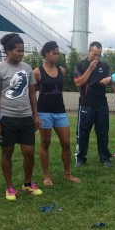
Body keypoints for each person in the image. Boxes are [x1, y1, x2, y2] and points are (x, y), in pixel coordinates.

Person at [0, 33, 43, 201]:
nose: (21, 54)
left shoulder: (27, 68)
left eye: (22, 51)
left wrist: (35, 116)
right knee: (7, 151)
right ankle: (10, 187)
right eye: (18, 51)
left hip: (26, 117)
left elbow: (32, 93)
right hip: (7, 118)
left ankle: (27, 184)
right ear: (7, 51)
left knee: (29, 152)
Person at [33, 41, 80, 185]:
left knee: (66, 143)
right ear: (46, 53)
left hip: (60, 111)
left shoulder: (62, 70)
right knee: (45, 143)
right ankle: (46, 176)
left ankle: (67, 173)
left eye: (58, 53)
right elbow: (32, 94)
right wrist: (35, 115)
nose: (57, 56)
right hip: (44, 112)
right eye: (54, 53)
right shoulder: (37, 72)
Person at [73, 41, 114, 168]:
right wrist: (90, 68)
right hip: (86, 104)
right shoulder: (80, 65)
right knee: (83, 133)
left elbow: (111, 79)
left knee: (103, 133)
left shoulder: (104, 65)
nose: (97, 58)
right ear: (88, 52)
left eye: (99, 55)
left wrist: (108, 81)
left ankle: (105, 158)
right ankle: (80, 158)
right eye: (94, 54)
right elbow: (78, 83)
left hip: (101, 104)